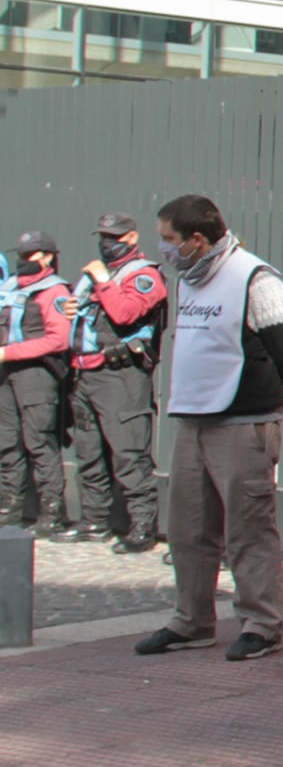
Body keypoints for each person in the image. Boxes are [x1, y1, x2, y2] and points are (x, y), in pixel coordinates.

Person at [133, 197, 283, 662]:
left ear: (197, 239)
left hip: (242, 421)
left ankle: (261, 623)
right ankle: (191, 621)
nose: (164, 249)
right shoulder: (190, 279)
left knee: (248, 529)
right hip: (192, 418)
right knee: (188, 529)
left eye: (170, 239)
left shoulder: (255, 277)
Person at [70, 213, 167, 551]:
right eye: (104, 235)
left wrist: (102, 281)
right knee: (89, 451)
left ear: (132, 237)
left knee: (129, 451)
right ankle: (95, 519)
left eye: (115, 236)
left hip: (121, 375)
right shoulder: (101, 275)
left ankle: (142, 525)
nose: (107, 242)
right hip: (86, 373)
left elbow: (126, 313)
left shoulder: (144, 276)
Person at [2, 230, 78, 538]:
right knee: (6, 443)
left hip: (36, 372)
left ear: (47, 257)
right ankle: (10, 509)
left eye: (30, 255)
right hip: (6, 374)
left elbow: (58, 339)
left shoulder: (54, 291)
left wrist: (9, 352)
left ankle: (52, 512)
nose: (24, 261)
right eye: (21, 255)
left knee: (39, 441)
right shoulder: (8, 289)